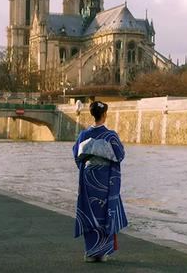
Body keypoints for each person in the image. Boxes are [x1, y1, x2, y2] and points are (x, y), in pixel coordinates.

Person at [72, 101, 128, 262]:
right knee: (105, 211)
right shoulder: (111, 136)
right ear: (104, 115)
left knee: (90, 211)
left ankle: (90, 252)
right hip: (105, 179)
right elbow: (120, 155)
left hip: (89, 177)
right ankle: (103, 252)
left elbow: (77, 155)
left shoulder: (83, 135)